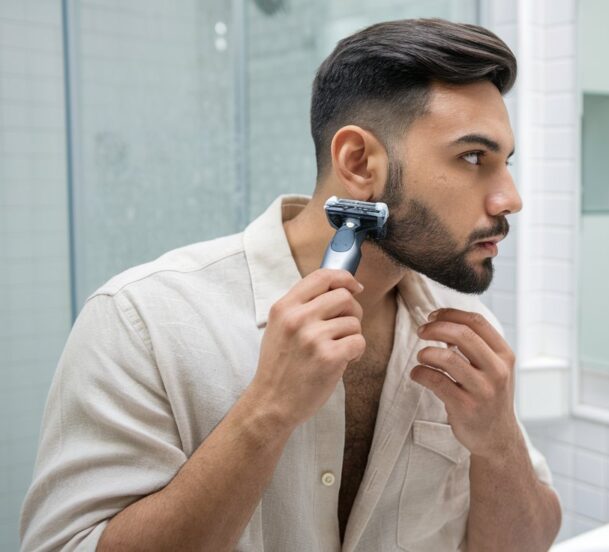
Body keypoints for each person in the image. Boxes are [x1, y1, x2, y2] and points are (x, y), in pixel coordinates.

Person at [20, 18, 561, 552]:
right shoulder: (144, 323)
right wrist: (267, 412)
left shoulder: (467, 338)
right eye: (473, 157)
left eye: (505, 163)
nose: (509, 197)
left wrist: (500, 447)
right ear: (358, 162)